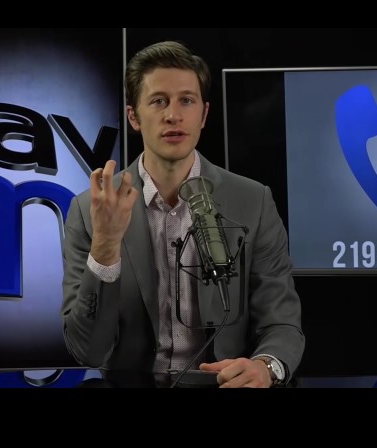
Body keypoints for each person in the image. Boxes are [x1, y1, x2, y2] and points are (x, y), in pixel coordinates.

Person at [60, 40, 305, 388]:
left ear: (203, 115)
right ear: (134, 117)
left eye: (186, 101)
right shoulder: (89, 210)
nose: (173, 115)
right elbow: (87, 351)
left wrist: (265, 366)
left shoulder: (254, 202)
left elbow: (282, 323)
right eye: (158, 101)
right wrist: (105, 246)